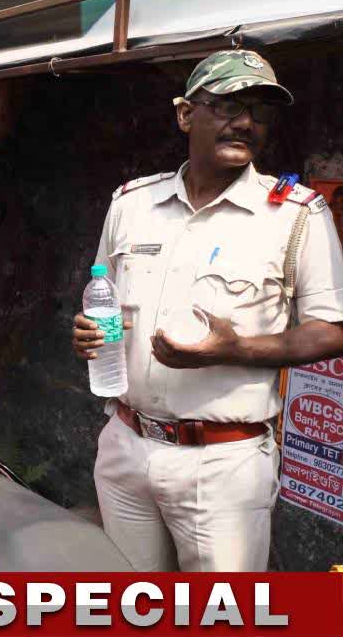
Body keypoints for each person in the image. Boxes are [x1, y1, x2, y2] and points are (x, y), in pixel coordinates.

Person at [71, 50, 343, 572]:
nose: (245, 122)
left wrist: (236, 349)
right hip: (126, 444)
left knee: (221, 617)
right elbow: (101, 295)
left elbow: (330, 332)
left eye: (260, 111)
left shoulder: (296, 215)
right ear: (185, 115)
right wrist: (87, 332)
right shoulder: (131, 204)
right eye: (225, 106)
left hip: (223, 463)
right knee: (135, 607)